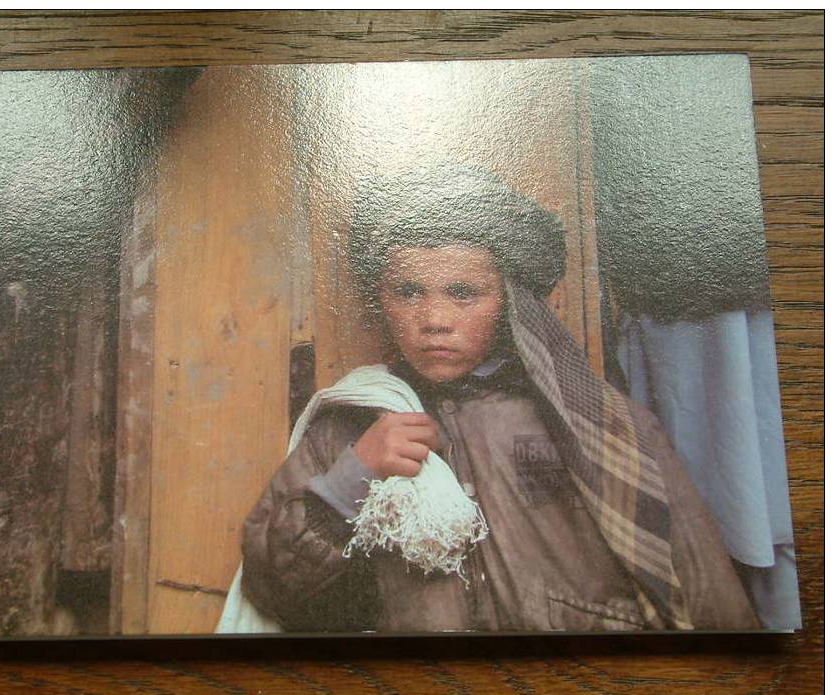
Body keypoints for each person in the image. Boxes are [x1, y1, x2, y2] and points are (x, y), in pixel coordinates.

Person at [231, 164, 759, 633]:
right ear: (382, 298)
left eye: (464, 293)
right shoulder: (350, 427)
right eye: (408, 291)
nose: (434, 320)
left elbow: (704, 594)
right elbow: (275, 593)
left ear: (510, 301)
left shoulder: (595, 421)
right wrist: (354, 474)